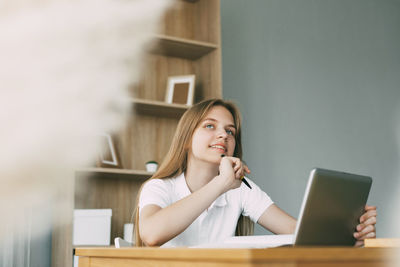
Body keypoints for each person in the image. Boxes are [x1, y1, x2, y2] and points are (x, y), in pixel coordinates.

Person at [134, 98, 377, 247]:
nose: (223, 135)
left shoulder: (242, 190)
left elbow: (301, 235)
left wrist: (349, 236)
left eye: (230, 131)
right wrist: (220, 184)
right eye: (210, 126)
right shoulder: (159, 187)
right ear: (186, 139)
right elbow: (152, 234)